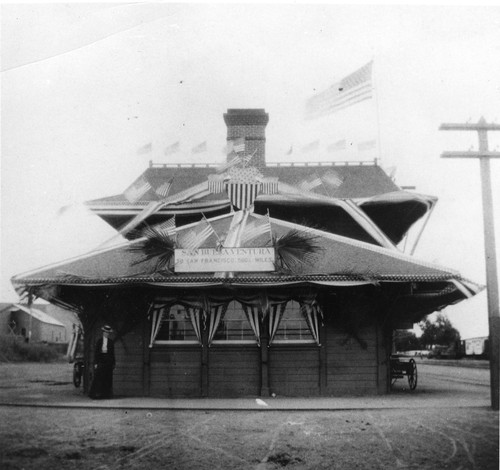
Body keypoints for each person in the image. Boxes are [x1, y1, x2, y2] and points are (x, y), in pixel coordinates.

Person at [89, 325, 115, 399]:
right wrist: (96, 363)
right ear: (103, 333)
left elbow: (112, 354)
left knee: (108, 378)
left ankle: (106, 395)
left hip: (108, 361)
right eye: (105, 332)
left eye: (108, 333)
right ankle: (95, 394)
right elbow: (96, 353)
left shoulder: (111, 342)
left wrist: (113, 363)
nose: (106, 334)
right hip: (101, 360)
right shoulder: (99, 341)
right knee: (98, 377)